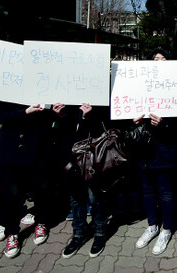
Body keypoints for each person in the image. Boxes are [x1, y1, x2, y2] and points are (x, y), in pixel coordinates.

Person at [0, 100, 62, 258]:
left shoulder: (41, 79)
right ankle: (12, 233)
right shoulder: (6, 84)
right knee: (13, 193)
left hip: (39, 145)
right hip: (13, 147)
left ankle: (41, 222)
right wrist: (24, 113)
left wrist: (54, 113)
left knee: (42, 188)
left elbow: (47, 116)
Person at [133, 48, 177, 255]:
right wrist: (134, 119)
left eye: (164, 59)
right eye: (156, 59)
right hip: (143, 150)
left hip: (164, 150)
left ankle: (166, 229)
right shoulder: (138, 86)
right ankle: (152, 225)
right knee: (147, 191)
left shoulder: (176, 87)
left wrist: (163, 124)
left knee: (165, 192)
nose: (160, 62)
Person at [62, 103, 110, 258]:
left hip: (94, 149)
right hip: (70, 148)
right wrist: (60, 114)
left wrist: (89, 116)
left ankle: (100, 231)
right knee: (76, 196)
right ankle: (78, 233)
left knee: (95, 194)